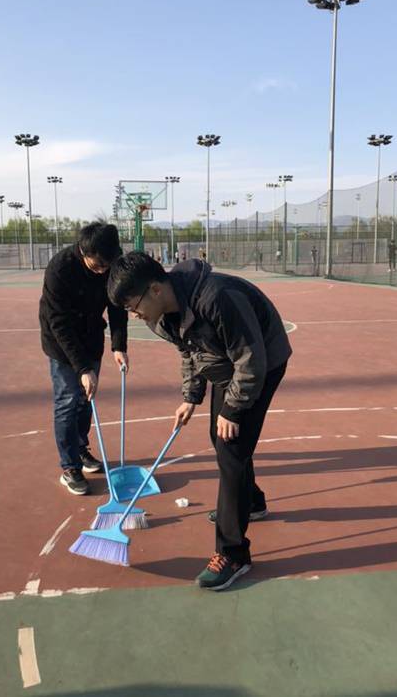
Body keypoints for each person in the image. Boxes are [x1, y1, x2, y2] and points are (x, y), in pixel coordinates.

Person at [108, 253, 292, 591]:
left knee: (231, 446)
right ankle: (250, 502)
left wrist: (232, 410)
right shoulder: (160, 315)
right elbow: (189, 351)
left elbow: (251, 360)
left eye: (133, 306)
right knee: (219, 438)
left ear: (155, 290)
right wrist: (191, 396)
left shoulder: (218, 298)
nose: (134, 315)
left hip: (263, 361)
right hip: (225, 362)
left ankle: (233, 553)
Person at [39, 222, 128, 496]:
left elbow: (117, 305)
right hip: (61, 342)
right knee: (68, 400)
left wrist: (119, 346)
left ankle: (80, 448)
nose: (103, 271)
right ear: (83, 251)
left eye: (106, 266)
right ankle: (69, 467)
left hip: (91, 336)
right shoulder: (60, 269)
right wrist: (83, 368)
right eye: (98, 265)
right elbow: (59, 324)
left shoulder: (111, 264)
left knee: (86, 398)